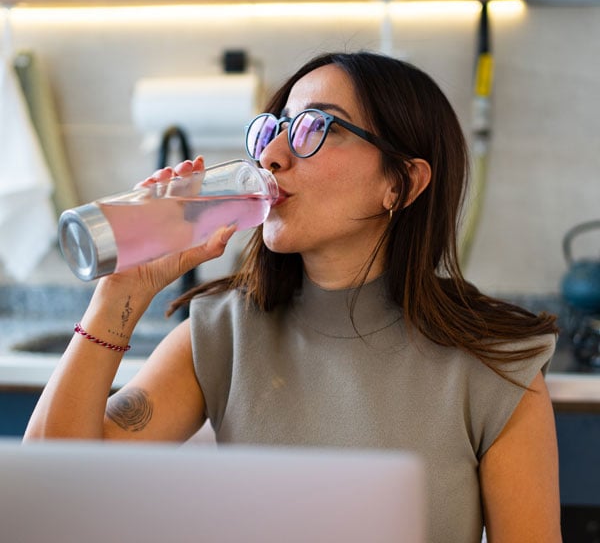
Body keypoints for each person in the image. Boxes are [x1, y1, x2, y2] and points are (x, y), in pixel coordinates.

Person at [24, 51, 561, 542]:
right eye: (272, 130)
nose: (273, 156)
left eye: (314, 128)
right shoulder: (221, 336)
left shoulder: (497, 365)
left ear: (400, 184)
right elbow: (50, 496)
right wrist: (121, 292)